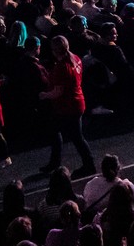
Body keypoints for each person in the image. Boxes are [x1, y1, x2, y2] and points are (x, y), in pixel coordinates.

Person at [39, 35, 96, 177]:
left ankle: (88, 164)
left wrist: (44, 95)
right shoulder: (75, 59)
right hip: (76, 101)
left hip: (68, 106)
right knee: (63, 133)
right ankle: (56, 162)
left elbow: (58, 92)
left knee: (74, 136)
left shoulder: (61, 67)